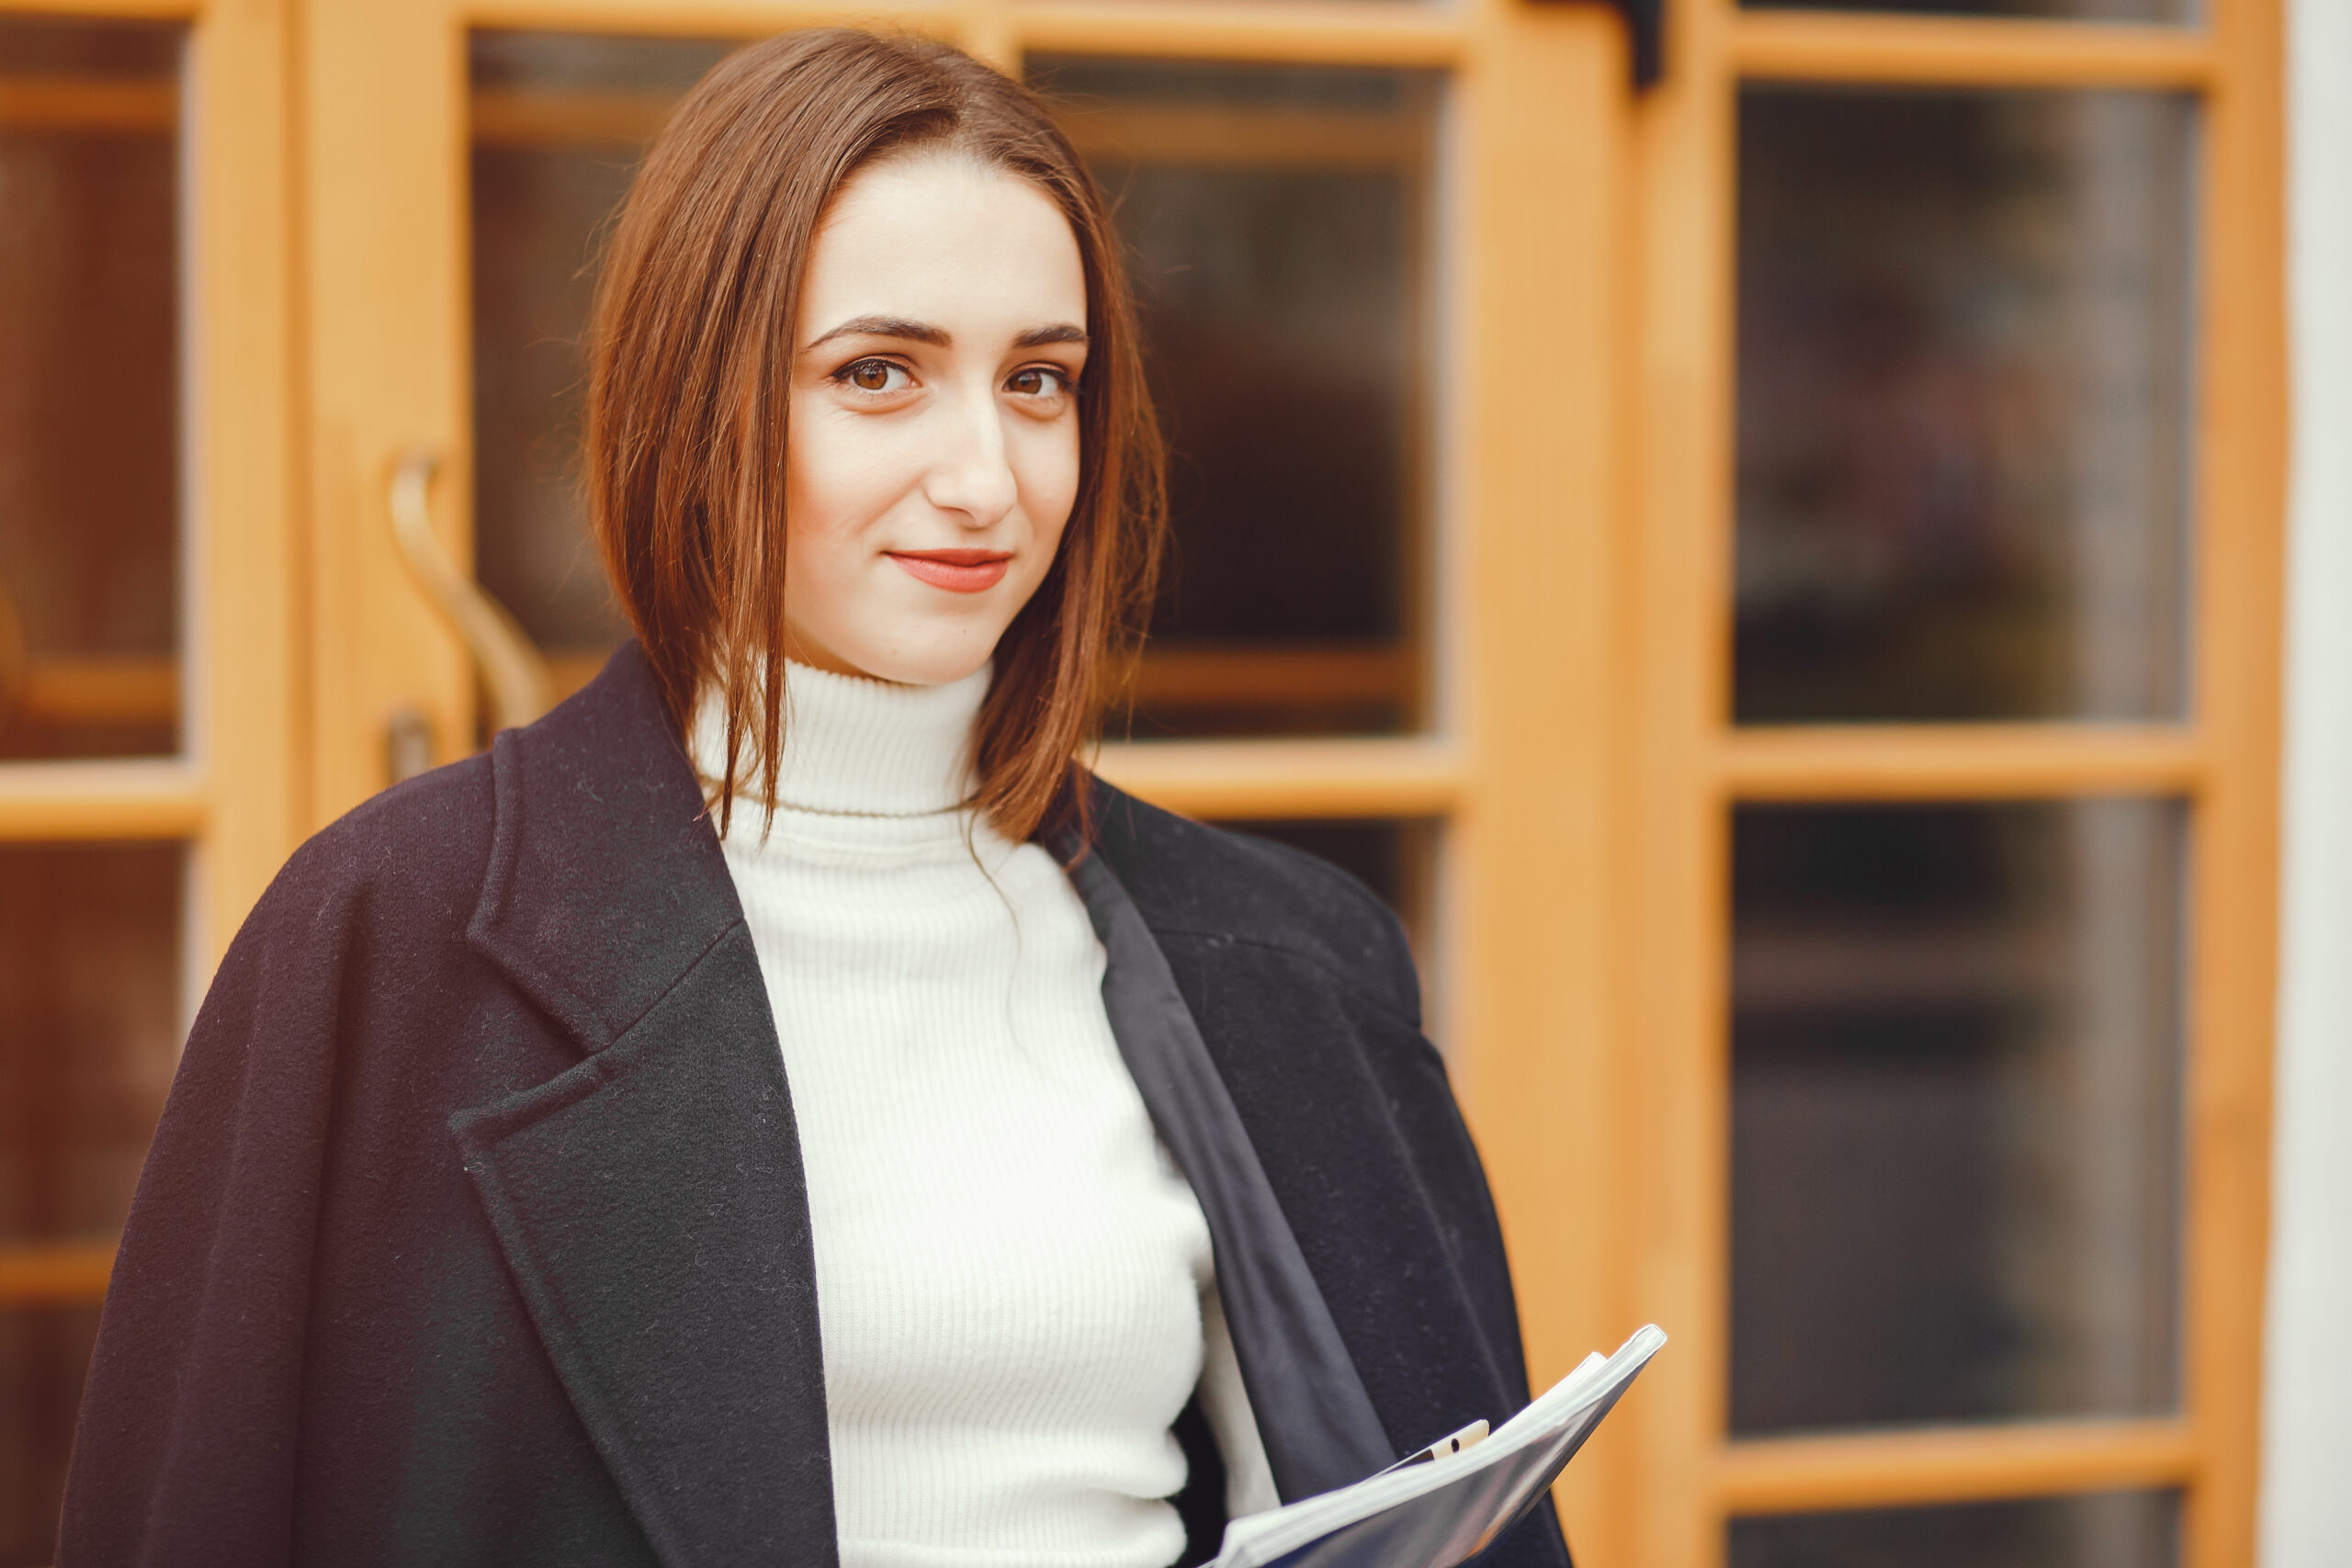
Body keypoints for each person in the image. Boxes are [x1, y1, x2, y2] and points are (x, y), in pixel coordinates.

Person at [59, 28, 1571, 1568]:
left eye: (1039, 381)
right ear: (695, 399)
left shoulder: (1304, 965)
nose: (986, 474)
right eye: (877, 375)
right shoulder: (381, 943)